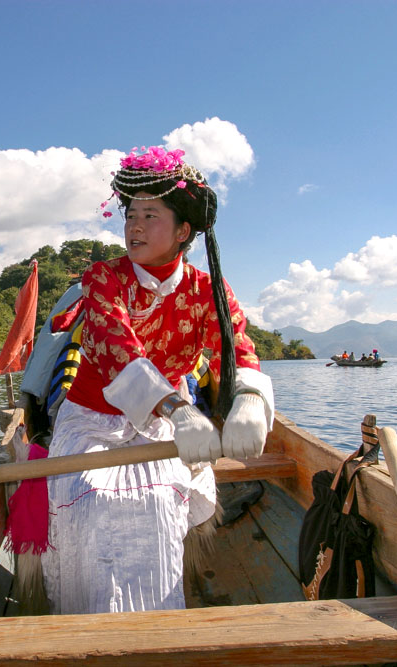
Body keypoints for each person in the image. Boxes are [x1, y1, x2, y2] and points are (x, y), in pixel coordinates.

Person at [40, 146, 274, 614]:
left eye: (150, 214)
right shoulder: (104, 278)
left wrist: (249, 399)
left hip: (164, 427)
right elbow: (114, 346)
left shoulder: (207, 290)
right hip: (91, 420)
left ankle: (157, 626)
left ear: (184, 230)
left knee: (162, 502)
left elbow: (238, 347)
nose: (135, 226)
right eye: (131, 214)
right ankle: (86, 625)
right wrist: (180, 410)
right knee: (87, 498)